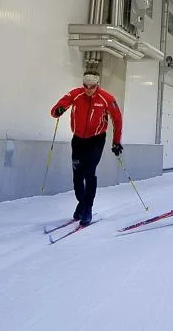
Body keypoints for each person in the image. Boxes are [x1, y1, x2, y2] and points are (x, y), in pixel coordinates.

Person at [50, 67, 123, 226]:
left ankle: (87, 208)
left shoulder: (106, 98)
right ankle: (81, 202)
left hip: (96, 140)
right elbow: (55, 110)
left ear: (98, 85)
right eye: (86, 86)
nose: (88, 90)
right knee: (77, 176)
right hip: (78, 140)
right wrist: (58, 110)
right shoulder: (76, 94)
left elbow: (117, 119)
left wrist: (116, 141)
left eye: (92, 87)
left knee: (89, 172)